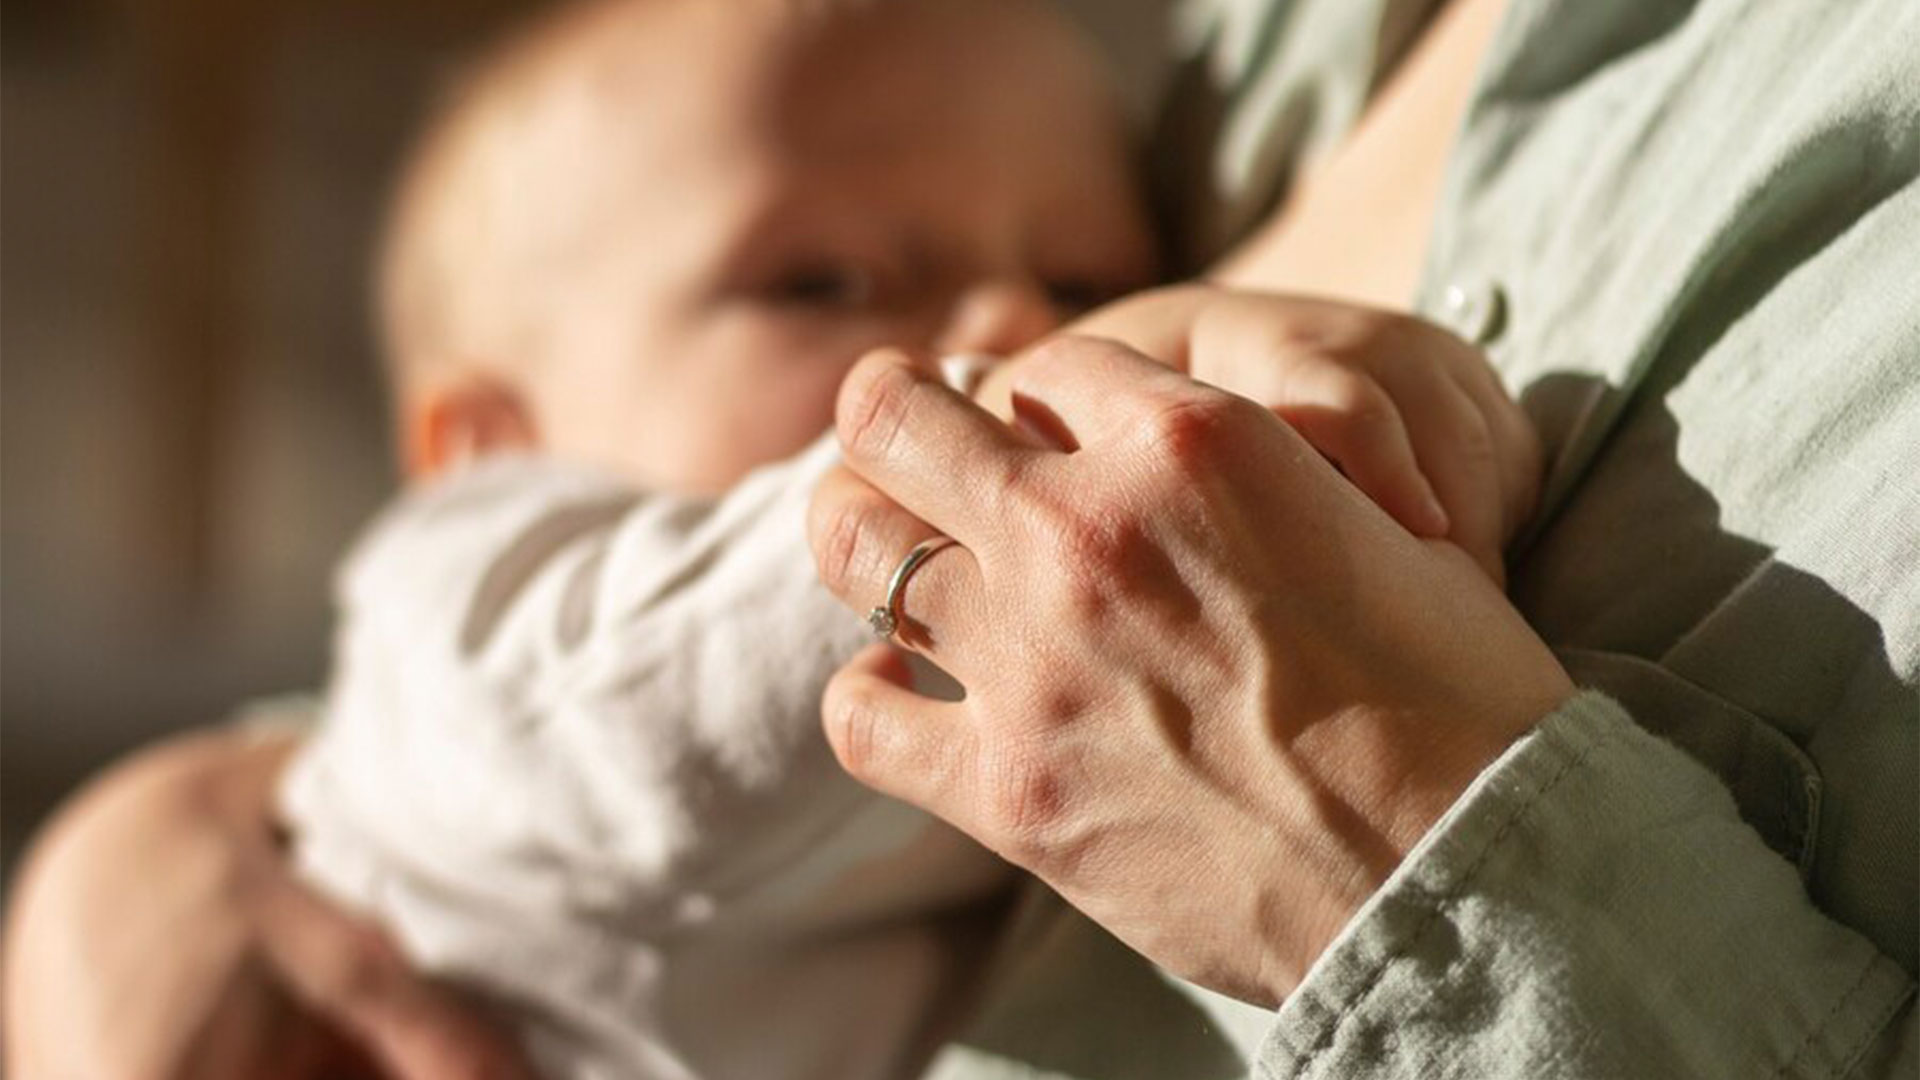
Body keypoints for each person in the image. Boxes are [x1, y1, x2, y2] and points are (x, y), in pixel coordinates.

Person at [11, 0, 1915, 1076]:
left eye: (1080, 270)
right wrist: (140, 856)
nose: (1003, 328)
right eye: (824, 278)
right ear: (486, 448)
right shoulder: (483, 624)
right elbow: (615, 720)